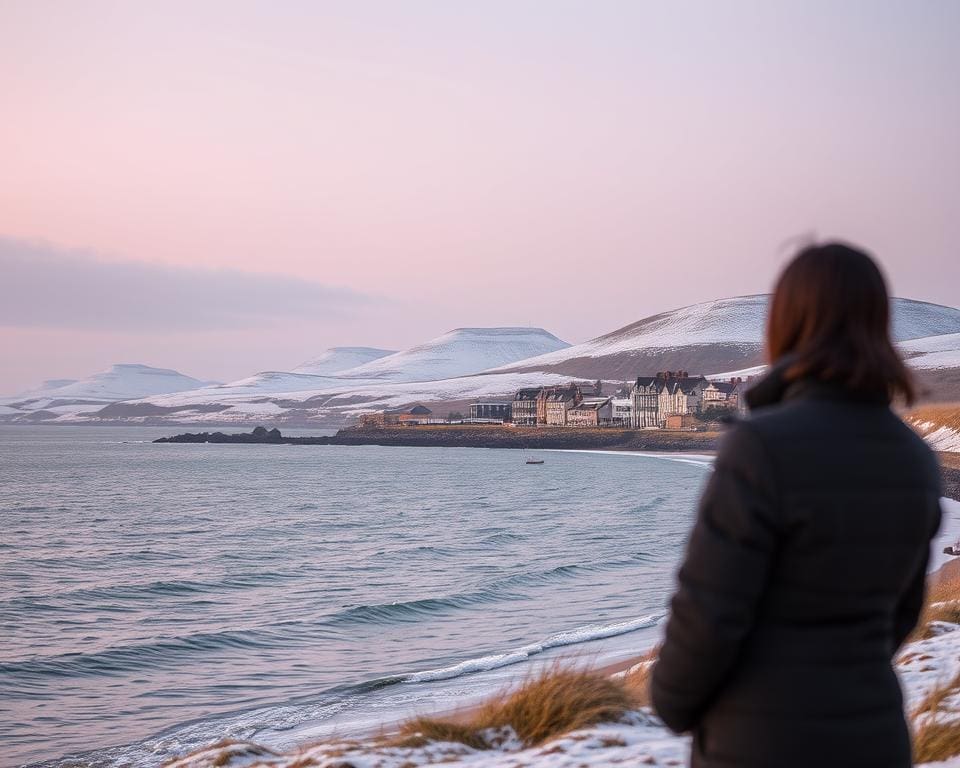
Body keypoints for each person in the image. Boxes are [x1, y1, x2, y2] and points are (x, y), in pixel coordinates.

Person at [651, 242, 942, 768]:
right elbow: (901, 613)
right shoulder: (916, 459)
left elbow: (709, 610)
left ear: (786, 325)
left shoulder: (760, 447)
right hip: (875, 736)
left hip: (759, 742)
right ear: (878, 326)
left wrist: (672, 702)